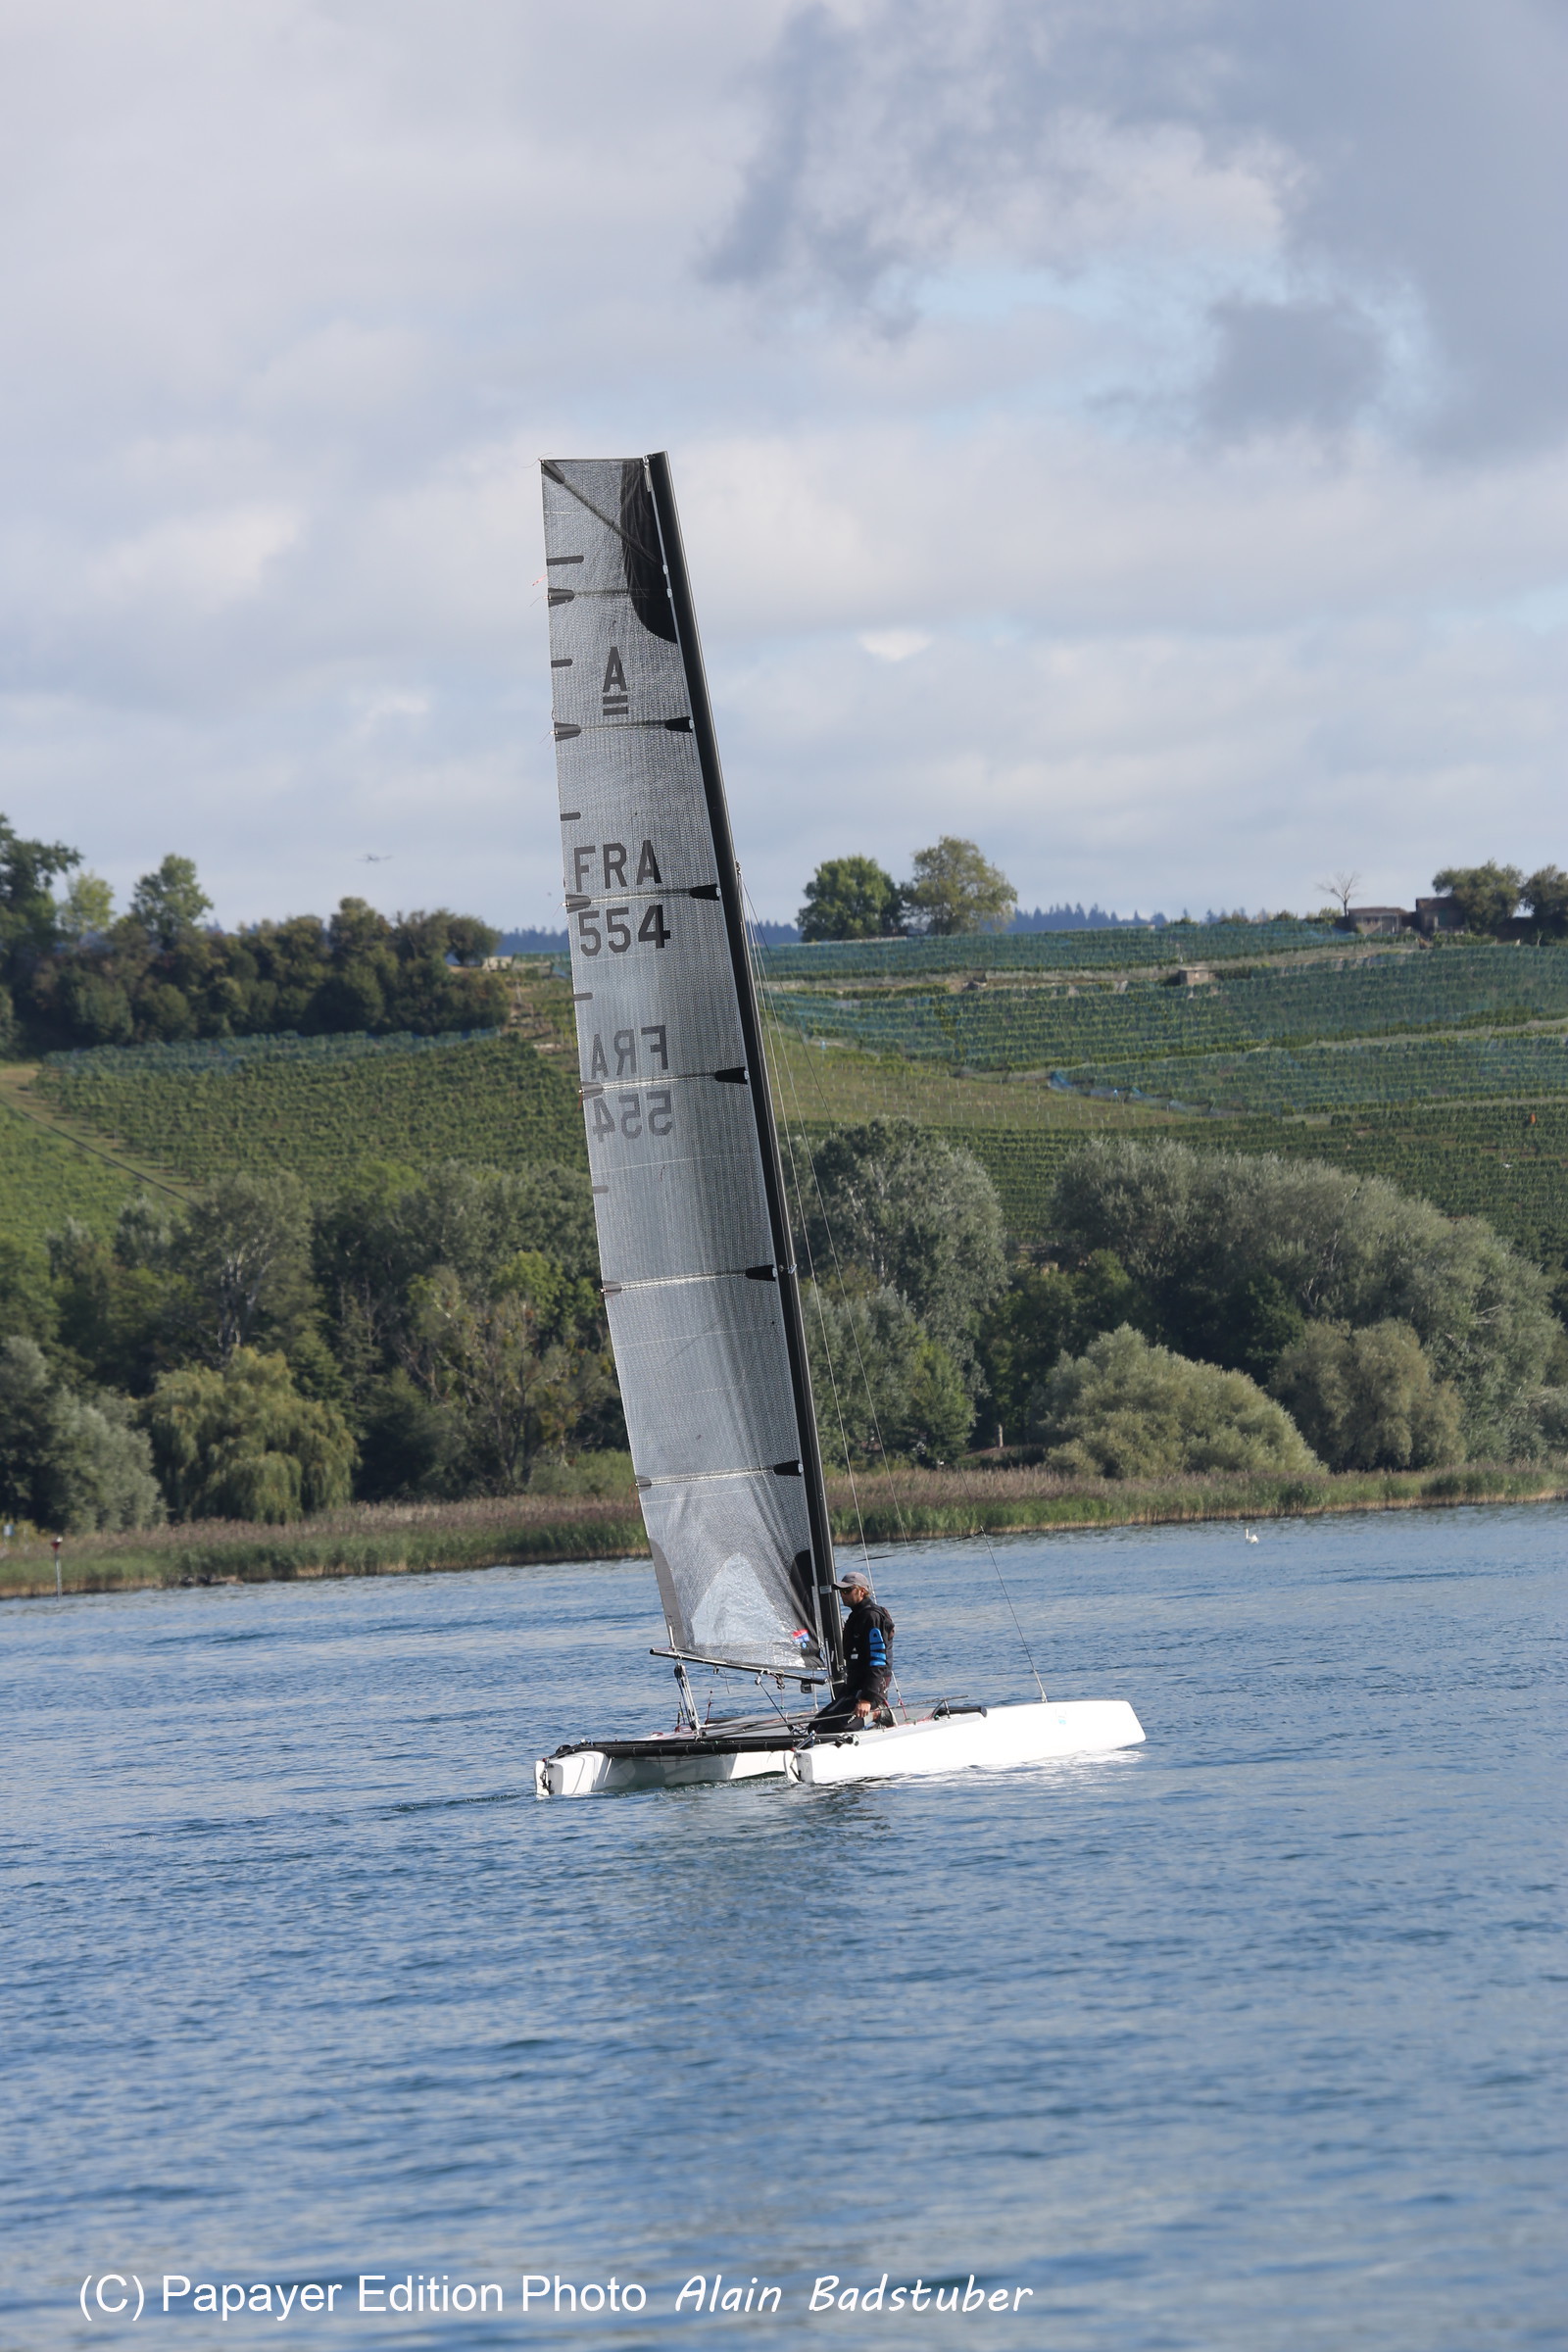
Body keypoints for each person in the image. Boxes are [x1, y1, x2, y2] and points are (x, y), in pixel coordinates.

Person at [817, 1570, 895, 1731]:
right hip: (854, 1686)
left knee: (840, 1729)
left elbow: (878, 1660)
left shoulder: (872, 1616)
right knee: (816, 1726)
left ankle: (879, 1712)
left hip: (871, 1689)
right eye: (841, 1591)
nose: (842, 1595)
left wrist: (867, 1699)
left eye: (847, 1590)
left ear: (862, 1591)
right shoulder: (856, 1616)